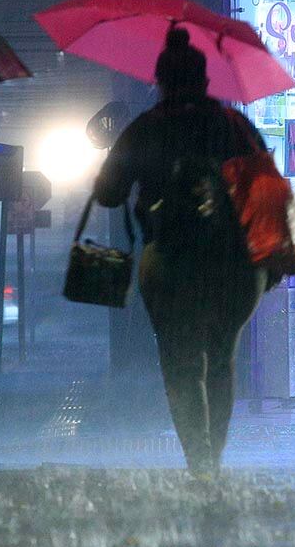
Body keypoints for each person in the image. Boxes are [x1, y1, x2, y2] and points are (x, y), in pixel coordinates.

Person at [93, 27, 268, 480]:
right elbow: (266, 191)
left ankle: (198, 463)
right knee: (221, 360)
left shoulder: (146, 127)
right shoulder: (234, 126)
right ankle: (216, 457)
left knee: (180, 364)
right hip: (232, 266)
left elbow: (108, 195)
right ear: (206, 81)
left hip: (170, 262)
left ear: (159, 81)